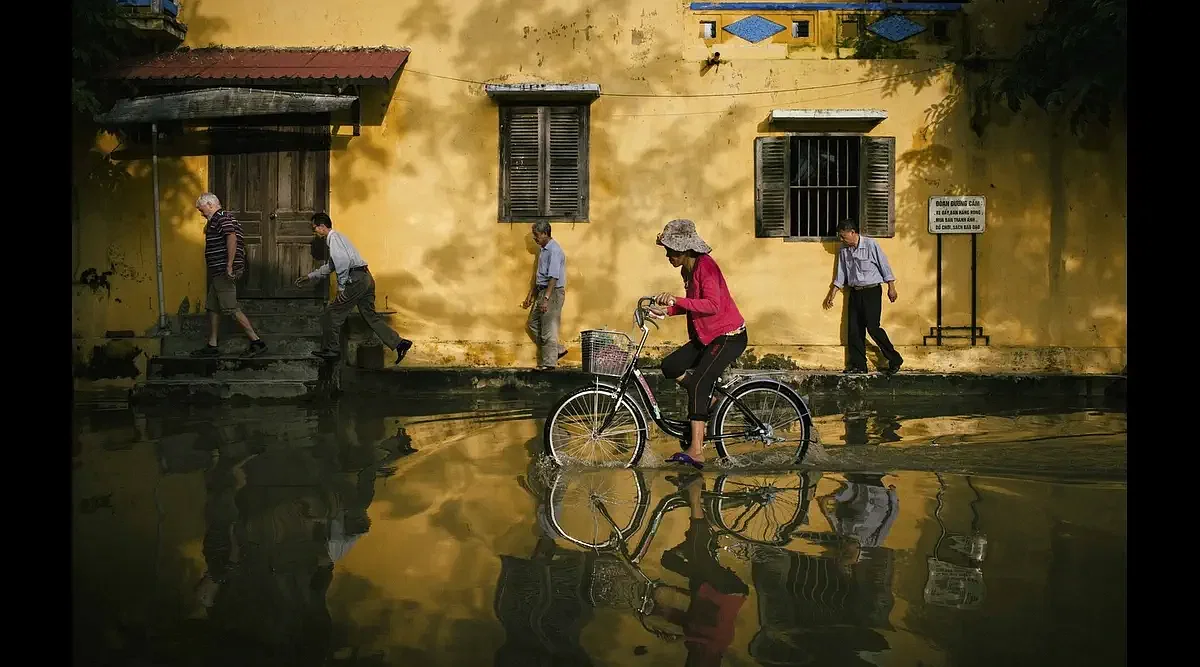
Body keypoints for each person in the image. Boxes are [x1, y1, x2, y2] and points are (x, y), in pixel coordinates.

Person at [648, 219, 747, 470]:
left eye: (671, 250)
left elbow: (712, 305)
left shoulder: (707, 267)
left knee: (700, 382)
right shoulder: (688, 270)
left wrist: (677, 300)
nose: (668, 255)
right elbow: (694, 305)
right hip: (706, 337)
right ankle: (708, 401)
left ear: (685, 249)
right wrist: (666, 311)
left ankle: (697, 450)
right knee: (670, 366)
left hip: (729, 335)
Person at [294, 213, 413, 365]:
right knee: (370, 316)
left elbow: (342, 262)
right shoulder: (339, 238)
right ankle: (399, 343)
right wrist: (310, 276)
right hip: (366, 278)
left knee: (332, 313)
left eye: (315, 228)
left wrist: (342, 287)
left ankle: (332, 350)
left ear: (322, 226)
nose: (314, 231)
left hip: (356, 280)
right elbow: (332, 265)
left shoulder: (334, 239)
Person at [822, 219, 904, 375]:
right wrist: (831, 294)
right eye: (840, 237)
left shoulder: (870, 245)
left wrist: (891, 287)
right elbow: (841, 274)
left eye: (843, 236)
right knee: (854, 329)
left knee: (873, 327)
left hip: (871, 291)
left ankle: (894, 359)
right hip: (854, 292)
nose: (841, 240)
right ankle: (859, 365)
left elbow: (884, 266)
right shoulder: (843, 250)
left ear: (853, 232)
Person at [191, 192, 267, 358]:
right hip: (218, 272)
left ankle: (257, 342)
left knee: (231, 308)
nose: (201, 213)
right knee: (213, 306)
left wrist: (229, 265)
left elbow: (231, 237)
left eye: (201, 209)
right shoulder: (220, 219)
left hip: (223, 271)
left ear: (210, 204)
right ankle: (212, 344)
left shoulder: (222, 217)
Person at [522, 221, 569, 370]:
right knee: (532, 324)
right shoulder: (543, 250)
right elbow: (539, 276)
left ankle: (549, 365)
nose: (535, 239)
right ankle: (557, 350)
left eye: (536, 236)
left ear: (544, 234)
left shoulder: (554, 251)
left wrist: (547, 298)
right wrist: (531, 295)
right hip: (542, 291)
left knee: (549, 329)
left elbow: (553, 277)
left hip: (552, 292)